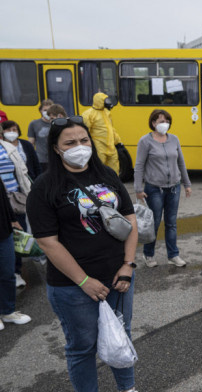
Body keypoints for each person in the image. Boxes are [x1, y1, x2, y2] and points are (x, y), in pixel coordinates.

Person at [26, 116, 138, 392]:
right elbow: (48, 242)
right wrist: (83, 281)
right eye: (71, 142)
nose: (80, 146)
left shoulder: (106, 175)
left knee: (120, 335)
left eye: (84, 140)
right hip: (72, 287)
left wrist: (128, 264)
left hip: (118, 278)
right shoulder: (44, 186)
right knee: (82, 347)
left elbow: (130, 218)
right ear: (56, 148)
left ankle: (128, 388)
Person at [134, 109, 192, 268]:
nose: (164, 124)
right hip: (154, 189)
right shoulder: (145, 141)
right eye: (161, 121)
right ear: (153, 123)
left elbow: (181, 162)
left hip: (174, 188)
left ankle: (173, 255)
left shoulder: (174, 139)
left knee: (171, 223)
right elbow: (139, 166)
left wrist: (187, 184)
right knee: (154, 223)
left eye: (166, 121)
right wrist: (138, 189)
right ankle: (148, 254)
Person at [1, 121, 38, 288]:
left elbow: (22, 172)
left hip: (15, 199)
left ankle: (16, 271)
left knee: (17, 236)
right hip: (1, 203)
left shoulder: (7, 148)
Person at [0, 179, 31, 331]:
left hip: (3, 231)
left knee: (7, 273)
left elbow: (3, 197)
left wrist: (12, 220)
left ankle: (8, 311)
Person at [82, 92, 122, 174]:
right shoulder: (88, 114)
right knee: (98, 169)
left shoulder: (107, 112)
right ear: (99, 101)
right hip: (98, 147)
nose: (107, 102)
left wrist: (118, 142)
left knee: (114, 169)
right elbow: (85, 132)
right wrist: (88, 146)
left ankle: (114, 185)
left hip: (110, 146)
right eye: (105, 100)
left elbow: (111, 129)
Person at [27, 99, 53, 173]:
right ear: (40, 111)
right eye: (45, 110)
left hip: (55, 159)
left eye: (50, 110)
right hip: (41, 160)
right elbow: (31, 142)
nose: (47, 112)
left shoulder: (57, 123)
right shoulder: (34, 124)